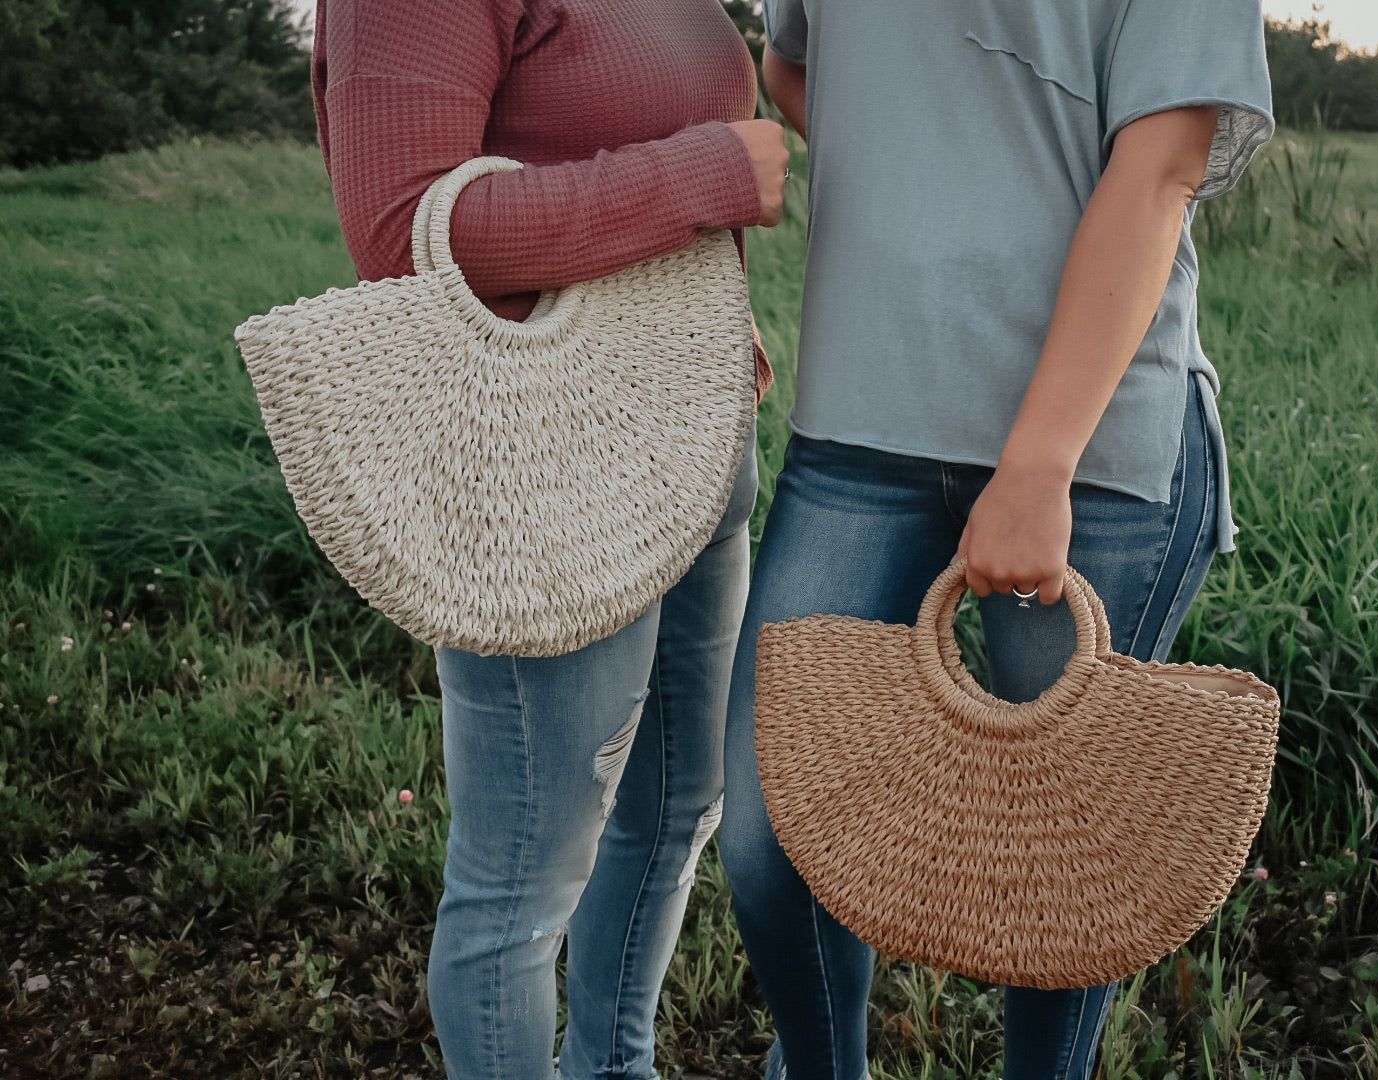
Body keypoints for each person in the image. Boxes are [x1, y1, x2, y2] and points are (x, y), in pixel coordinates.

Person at [716, 2, 1274, 1078]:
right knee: (770, 834)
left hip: (1089, 456)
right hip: (860, 424)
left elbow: (1164, 162)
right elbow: (793, 70)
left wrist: (1038, 463)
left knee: (1065, 875)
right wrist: (933, 203)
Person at [310, 2, 789, 1077]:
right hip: (540, 467)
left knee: (679, 806)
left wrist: (718, 303)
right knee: (524, 883)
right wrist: (708, 173)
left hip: (694, 435)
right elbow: (404, 235)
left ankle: (615, 1068)